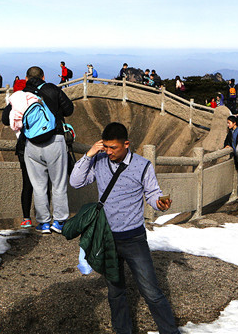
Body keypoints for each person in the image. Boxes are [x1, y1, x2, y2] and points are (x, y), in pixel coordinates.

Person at [69, 122, 179, 334]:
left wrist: (159, 203)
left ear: (126, 144)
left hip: (134, 238)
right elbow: (76, 182)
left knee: (151, 292)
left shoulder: (142, 165)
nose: (109, 152)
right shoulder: (99, 161)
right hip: (107, 237)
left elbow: (152, 193)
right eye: (106, 147)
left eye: (113, 147)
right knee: (115, 292)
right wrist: (90, 154)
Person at [21, 66, 74, 233]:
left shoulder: (22, 94)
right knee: (58, 184)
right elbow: (69, 109)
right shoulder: (52, 88)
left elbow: (6, 118)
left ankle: (43, 223)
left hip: (31, 144)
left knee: (38, 186)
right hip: (55, 140)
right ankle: (59, 221)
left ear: (26, 78)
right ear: (43, 77)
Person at [1, 77, 34, 228]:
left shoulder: (13, 102)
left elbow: (4, 120)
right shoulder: (33, 99)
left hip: (23, 147)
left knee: (27, 184)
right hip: (41, 144)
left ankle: (26, 218)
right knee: (42, 183)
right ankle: (45, 219)